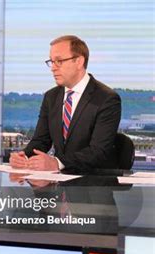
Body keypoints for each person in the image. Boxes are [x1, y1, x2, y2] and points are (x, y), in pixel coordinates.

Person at [10, 35, 121, 173]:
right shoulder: (51, 97)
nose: (53, 68)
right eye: (51, 61)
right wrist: (24, 156)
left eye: (59, 61)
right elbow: (41, 141)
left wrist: (57, 163)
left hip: (93, 185)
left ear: (79, 61)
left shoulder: (107, 99)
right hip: (60, 185)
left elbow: (98, 151)